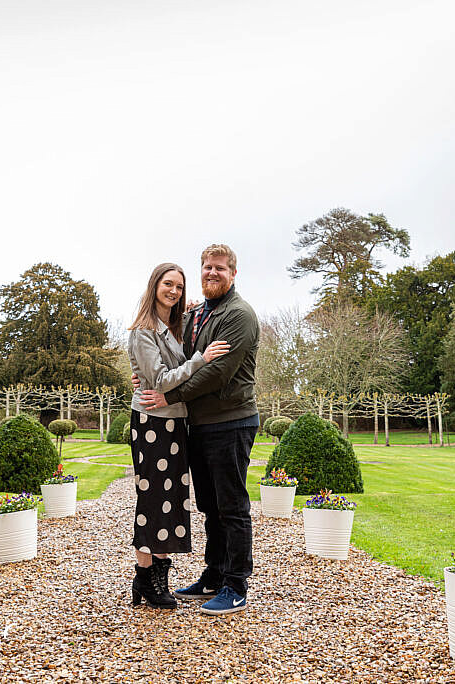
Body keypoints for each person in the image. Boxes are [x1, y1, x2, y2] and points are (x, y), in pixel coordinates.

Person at [139, 244, 260, 616]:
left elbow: (215, 372)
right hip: (201, 423)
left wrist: (167, 395)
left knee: (232, 506)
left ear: (233, 273)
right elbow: (180, 359)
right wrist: (147, 375)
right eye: (207, 267)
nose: (212, 273)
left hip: (231, 421)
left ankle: (235, 584)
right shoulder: (198, 314)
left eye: (220, 268)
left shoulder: (238, 315)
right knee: (209, 506)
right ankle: (213, 574)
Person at [127, 262, 230, 609]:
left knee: (170, 502)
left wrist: (187, 312)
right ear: (154, 284)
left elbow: (164, 372)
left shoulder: (175, 327)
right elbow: (159, 381)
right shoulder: (143, 331)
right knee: (152, 500)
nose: (173, 291)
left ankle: (157, 578)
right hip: (153, 424)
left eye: (179, 287)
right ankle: (146, 578)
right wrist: (201, 359)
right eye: (167, 284)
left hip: (174, 423)